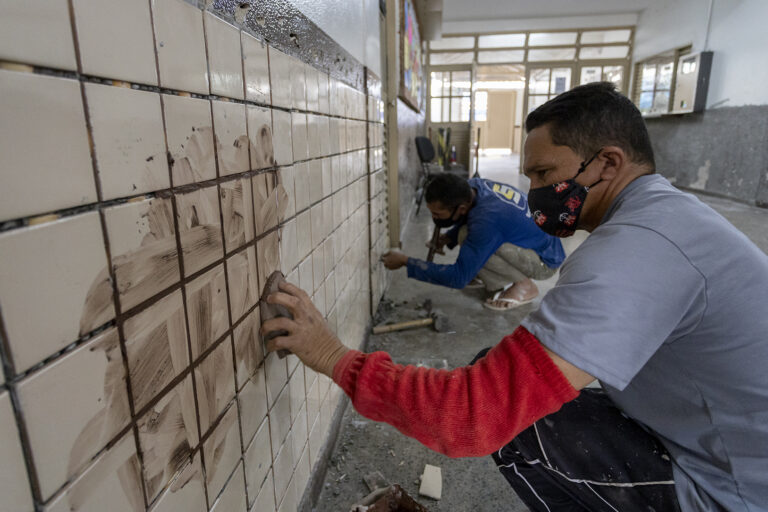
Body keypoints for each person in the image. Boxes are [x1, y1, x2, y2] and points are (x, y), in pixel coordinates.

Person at [261, 82, 768, 511]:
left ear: (608, 163)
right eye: (529, 175)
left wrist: (334, 356)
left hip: (735, 490)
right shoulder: (667, 216)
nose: (533, 192)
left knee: (520, 425)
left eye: (544, 175)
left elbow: (470, 417)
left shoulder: (640, 252)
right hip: (721, 441)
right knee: (513, 379)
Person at [381, 173, 566, 310]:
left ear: (460, 208)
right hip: (535, 240)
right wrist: (448, 238)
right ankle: (482, 272)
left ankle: (525, 286)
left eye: (437, 214)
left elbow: (458, 277)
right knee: (464, 234)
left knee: (476, 239)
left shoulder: (487, 220)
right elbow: (467, 218)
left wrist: (406, 262)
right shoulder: (474, 187)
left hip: (545, 261)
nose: (433, 218)